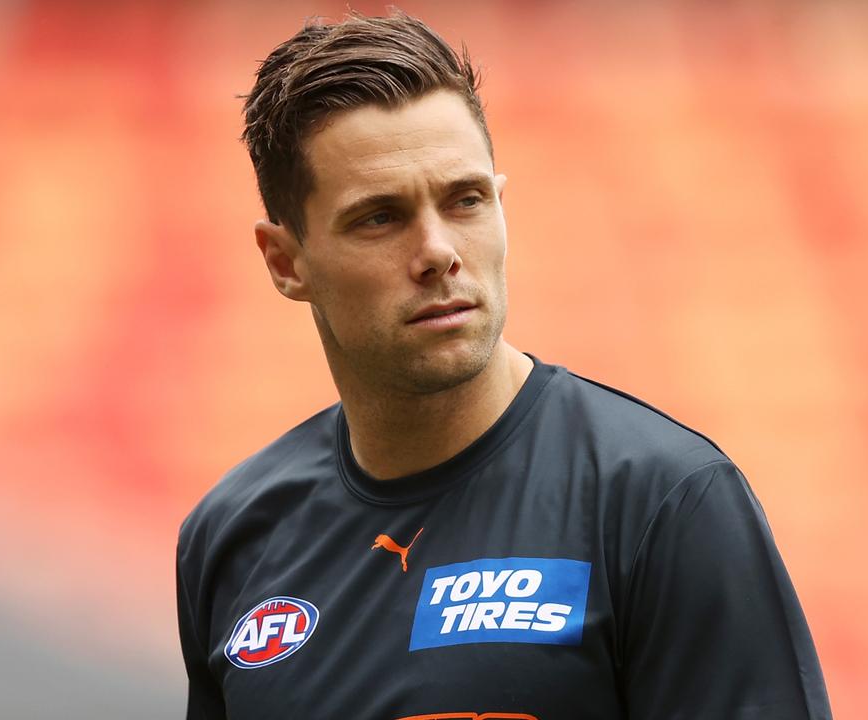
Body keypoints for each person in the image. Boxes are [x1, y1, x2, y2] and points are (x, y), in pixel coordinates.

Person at [176, 11, 832, 720]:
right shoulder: (233, 536)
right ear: (286, 261)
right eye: (380, 218)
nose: (437, 251)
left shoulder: (664, 503)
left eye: (466, 201)